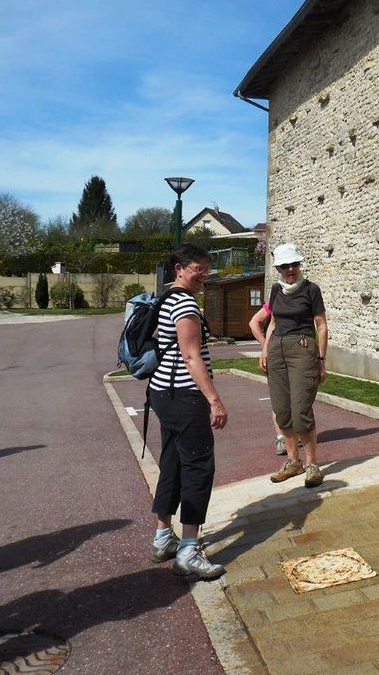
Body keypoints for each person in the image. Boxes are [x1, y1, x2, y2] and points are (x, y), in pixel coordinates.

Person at [148, 244, 228, 581]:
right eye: (198, 269)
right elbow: (191, 355)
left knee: (172, 461)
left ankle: (164, 537)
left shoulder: (165, 298)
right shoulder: (183, 302)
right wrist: (214, 399)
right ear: (179, 268)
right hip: (184, 395)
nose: (203, 275)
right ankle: (189, 550)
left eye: (206, 269)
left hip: (163, 393)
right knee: (197, 467)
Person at [259, 244, 328, 488]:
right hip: (277, 349)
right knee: (282, 410)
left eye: (294, 265)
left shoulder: (311, 290)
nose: (290, 270)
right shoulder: (276, 289)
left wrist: (321, 360)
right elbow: (272, 322)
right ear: (278, 268)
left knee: (301, 411)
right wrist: (266, 349)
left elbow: (321, 326)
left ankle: (312, 465)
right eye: (285, 266)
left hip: (303, 349)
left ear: (299, 265)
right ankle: (293, 462)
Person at [248, 302, 287, 455]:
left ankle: (289, 436)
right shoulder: (275, 300)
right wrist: (266, 346)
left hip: (296, 354)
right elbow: (254, 322)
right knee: (279, 399)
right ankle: (281, 438)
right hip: (277, 355)